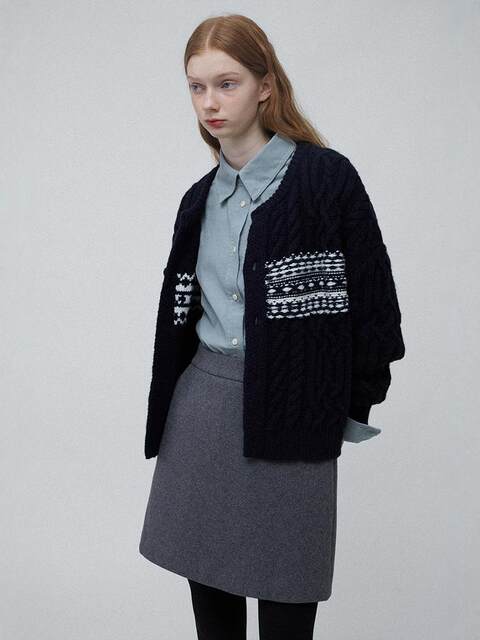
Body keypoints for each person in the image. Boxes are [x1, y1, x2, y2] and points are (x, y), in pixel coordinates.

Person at [139, 13, 406, 640]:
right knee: (214, 618)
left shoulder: (325, 179)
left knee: (288, 606)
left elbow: (376, 309)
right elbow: (179, 323)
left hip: (296, 413)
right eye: (197, 87)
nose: (209, 102)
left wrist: (347, 405)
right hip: (201, 415)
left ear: (265, 85)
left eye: (226, 83)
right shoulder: (198, 199)